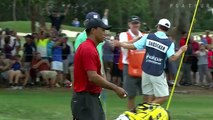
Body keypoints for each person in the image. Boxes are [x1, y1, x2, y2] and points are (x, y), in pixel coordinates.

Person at [113, 18, 188, 104]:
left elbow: (134, 46)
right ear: (167, 29)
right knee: (163, 97)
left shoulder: (148, 36)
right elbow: (173, 58)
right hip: (157, 72)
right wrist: (181, 50)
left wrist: (121, 44)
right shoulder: (169, 43)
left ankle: (145, 114)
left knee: (148, 95)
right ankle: (148, 109)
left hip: (145, 70)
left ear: (158, 26)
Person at [71, 18, 127, 120]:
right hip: (85, 100)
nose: (105, 33)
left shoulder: (90, 47)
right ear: (93, 30)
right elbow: (93, 77)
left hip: (89, 99)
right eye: (102, 30)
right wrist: (116, 88)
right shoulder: (88, 49)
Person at [119, 15, 143, 109]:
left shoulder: (143, 35)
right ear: (129, 24)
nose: (135, 25)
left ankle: (143, 115)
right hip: (128, 66)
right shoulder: (124, 34)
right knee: (130, 94)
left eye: (137, 23)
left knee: (147, 93)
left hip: (142, 66)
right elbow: (124, 44)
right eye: (133, 23)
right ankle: (131, 115)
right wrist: (137, 39)